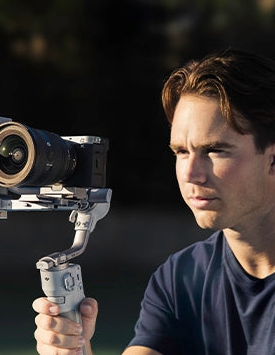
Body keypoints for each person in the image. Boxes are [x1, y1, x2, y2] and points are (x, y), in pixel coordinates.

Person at [32, 48, 275, 354]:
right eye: (181, 152)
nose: (190, 174)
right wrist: (75, 349)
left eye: (215, 150)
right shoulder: (179, 279)